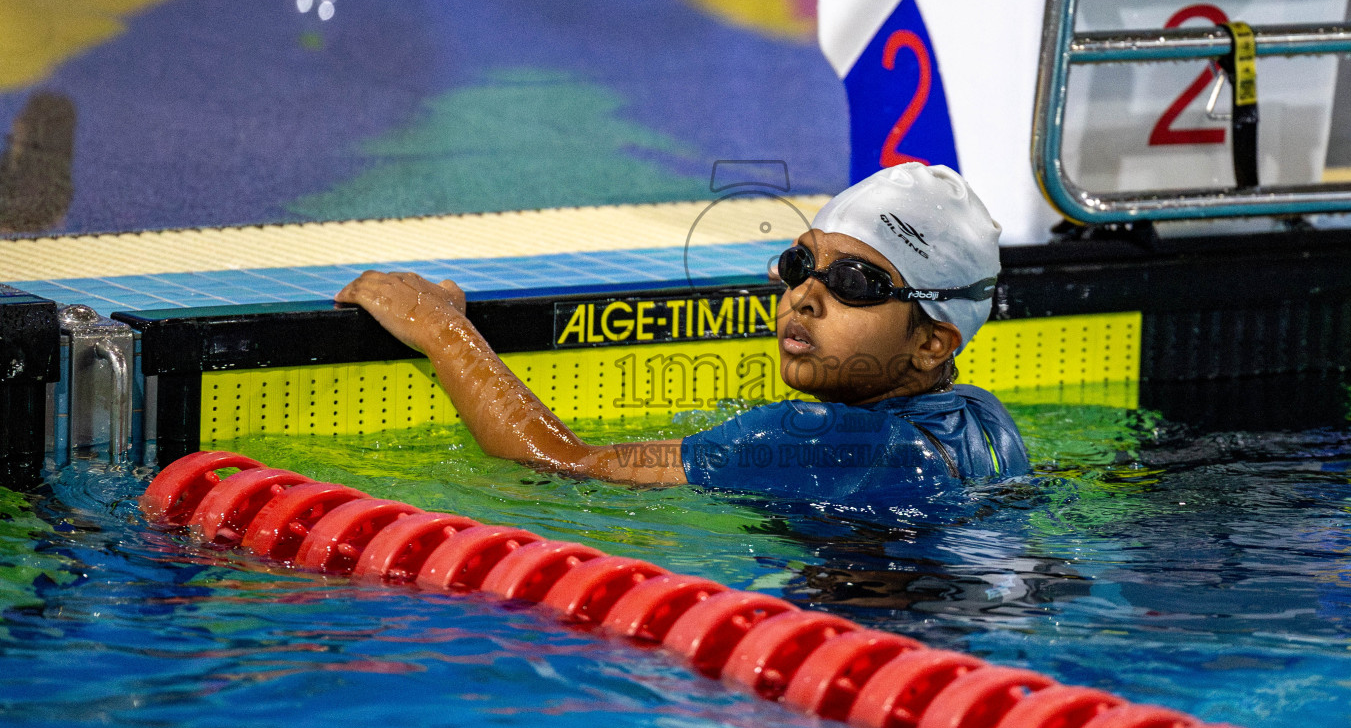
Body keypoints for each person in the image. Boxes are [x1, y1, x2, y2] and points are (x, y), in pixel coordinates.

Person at [336, 164, 1030, 500]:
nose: (806, 298)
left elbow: (562, 461)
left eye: (855, 283)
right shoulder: (983, 423)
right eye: (799, 264)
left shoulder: (815, 439)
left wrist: (443, 331)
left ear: (934, 342)